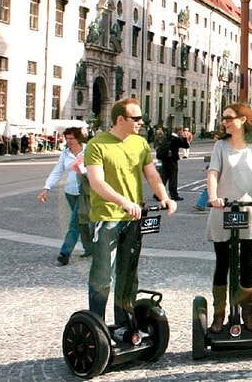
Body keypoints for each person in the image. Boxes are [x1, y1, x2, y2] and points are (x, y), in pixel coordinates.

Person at [85, 98, 177, 333]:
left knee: (128, 275)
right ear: (120, 120)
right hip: (107, 218)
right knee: (103, 275)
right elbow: (96, 182)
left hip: (134, 218)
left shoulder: (140, 144)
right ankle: (98, 328)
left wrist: (164, 197)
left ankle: (124, 325)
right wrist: (123, 201)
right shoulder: (97, 145)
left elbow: (152, 174)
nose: (141, 122)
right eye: (136, 118)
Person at [205, 103, 252, 333]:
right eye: (224, 119)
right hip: (223, 208)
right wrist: (213, 196)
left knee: (246, 262)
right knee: (222, 263)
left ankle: (248, 313)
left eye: (229, 118)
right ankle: (219, 313)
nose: (225, 122)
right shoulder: (220, 146)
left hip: (247, 207)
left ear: (242, 119)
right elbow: (213, 172)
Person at [37, 127, 93, 266]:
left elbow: (98, 168)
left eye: (71, 139)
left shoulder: (89, 150)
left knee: (74, 223)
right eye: (66, 139)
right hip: (70, 192)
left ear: (78, 138)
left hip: (85, 192)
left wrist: (83, 170)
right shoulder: (65, 154)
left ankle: (64, 254)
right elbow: (57, 171)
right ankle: (90, 248)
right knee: (82, 220)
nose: (69, 142)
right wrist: (46, 188)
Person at [158, 127, 189, 201]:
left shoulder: (168, 137)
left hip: (164, 159)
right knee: (173, 178)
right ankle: (174, 195)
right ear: (179, 132)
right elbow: (186, 146)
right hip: (172, 160)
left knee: (164, 177)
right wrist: (184, 137)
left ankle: (157, 194)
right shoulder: (176, 139)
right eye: (181, 132)